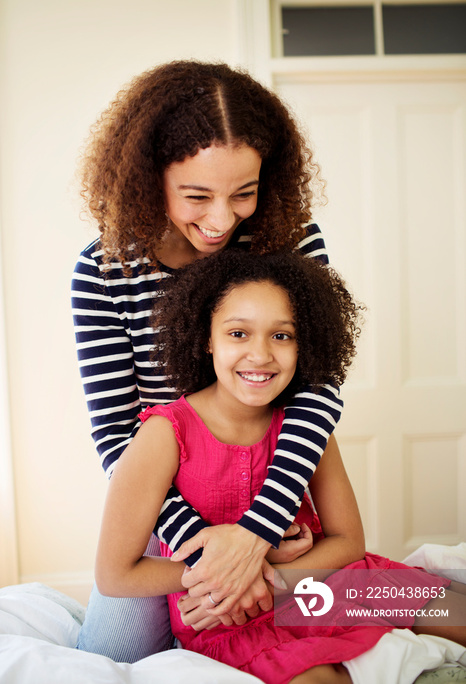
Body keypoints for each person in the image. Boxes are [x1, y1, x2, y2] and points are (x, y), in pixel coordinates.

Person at [72, 60, 343, 661]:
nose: (221, 220)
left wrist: (255, 536)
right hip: (165, 519)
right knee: (112, 660)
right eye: (197, 196)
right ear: (148, 179)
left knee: (380, 621)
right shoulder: (104, 270)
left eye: (243, 194)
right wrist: (209, 555)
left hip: (272, 503)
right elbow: (117, 434)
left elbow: (318, 388)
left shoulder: (290, 239)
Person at [94, 249, 465, 684]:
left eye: (282, 336)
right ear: (206, 338)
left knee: (455, 611)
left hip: (324, 584)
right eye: (238, 333)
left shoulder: (305, 427)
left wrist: (266, 574)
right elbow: (114, 574)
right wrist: (225, 582)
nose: (260, 355)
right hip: (229, 618)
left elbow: (348, 541)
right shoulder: (163, 434)